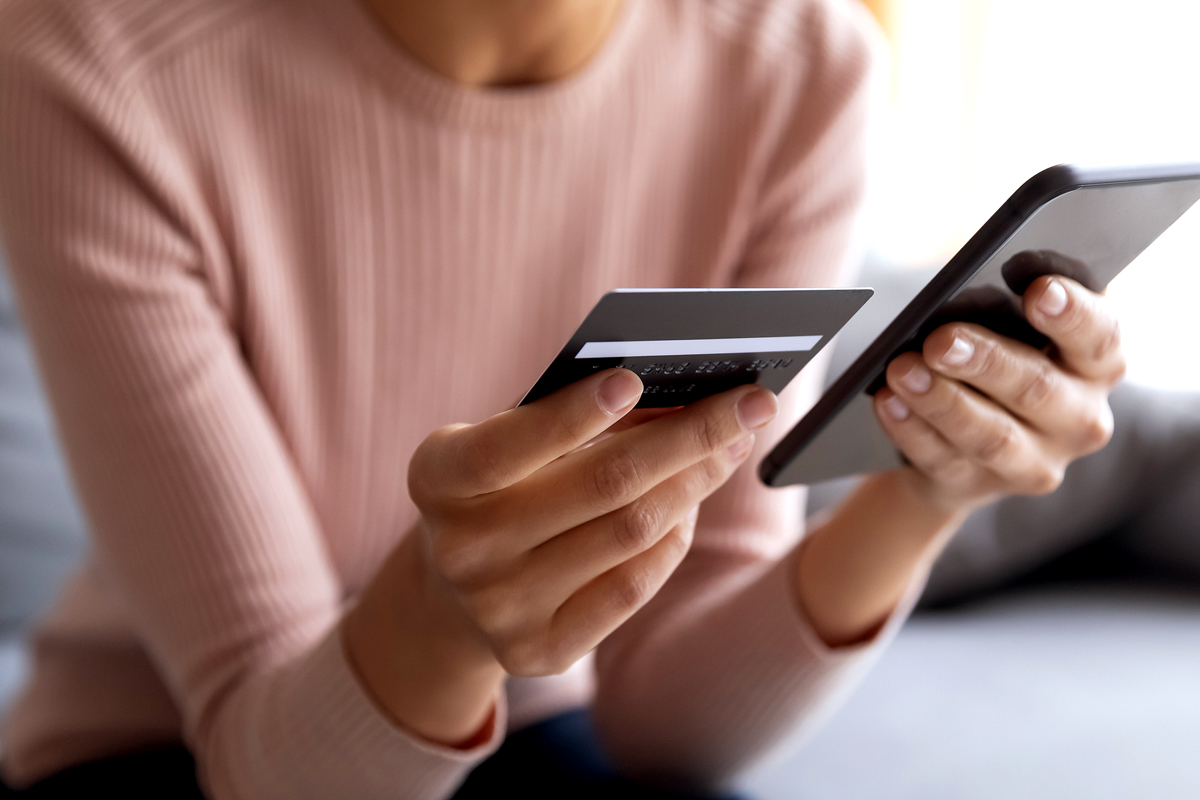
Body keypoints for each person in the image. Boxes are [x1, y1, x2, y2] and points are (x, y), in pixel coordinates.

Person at [0, 0, 1125, 797]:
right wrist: (440, 623)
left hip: (532, 729)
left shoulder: (798, 63)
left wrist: (919, 499)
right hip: (174, 746)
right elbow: (270, 763)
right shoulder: (94, 58)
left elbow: (665, 723)